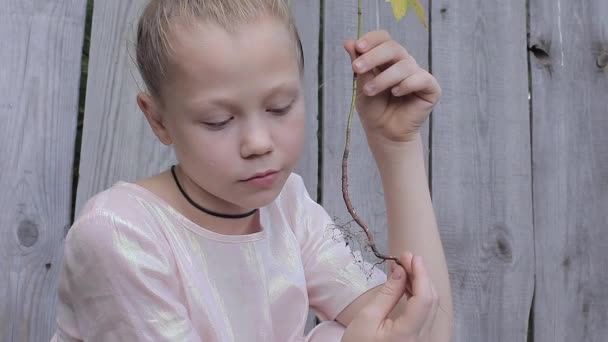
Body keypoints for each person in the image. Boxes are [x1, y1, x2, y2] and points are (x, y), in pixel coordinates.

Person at [51, 0, 453, 341]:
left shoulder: (288, 208)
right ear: (158, 120)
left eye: (280, 107)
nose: (258, 143)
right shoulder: (120, 233)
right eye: (218, 120)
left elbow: (415, 330)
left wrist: (397, 147)